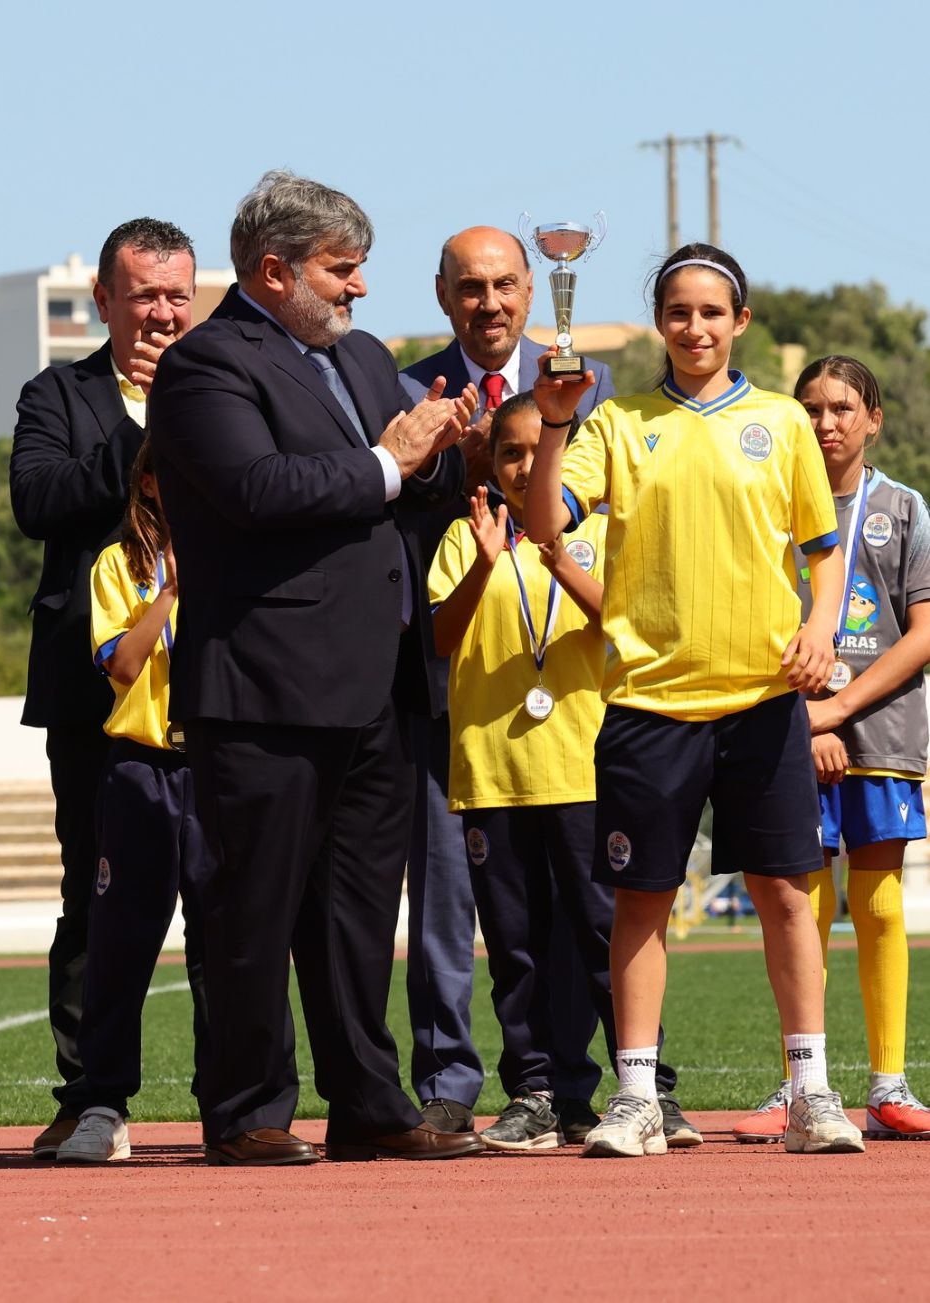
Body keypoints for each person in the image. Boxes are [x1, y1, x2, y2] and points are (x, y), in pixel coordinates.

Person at [150, 170, 484, 1166]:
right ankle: (248, 1108)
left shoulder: (368, 358)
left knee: (354, 911)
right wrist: (389, 461)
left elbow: (417, 488)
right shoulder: (206, 366)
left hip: (376, 680)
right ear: (272, 270)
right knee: (253, 901)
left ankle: (367, 1104)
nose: (358, 290)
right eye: (342, 271)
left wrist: (462, 445)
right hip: (263, 681)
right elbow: (258, 489)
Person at [524, 243, 866, 1158]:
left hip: (760, 699)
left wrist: (821, 629)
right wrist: (555, 426)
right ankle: (635, 1094)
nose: (695, 327)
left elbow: (821, 549)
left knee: (788, 895)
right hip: (648, 700)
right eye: (678, 311)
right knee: (640, 897)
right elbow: (544, 523)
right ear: (659, 323)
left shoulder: (782, 424)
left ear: (739, 321)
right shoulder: (618, 422)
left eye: (712, 311)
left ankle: (809, 1089)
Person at [398, 226, 620, 1140]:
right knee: (450, 901)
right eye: (469, 287)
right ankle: (450, 1078)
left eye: (504, 284)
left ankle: (592, 1079)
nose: (488, 302)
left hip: (564, 677)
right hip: (445, 660)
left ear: (531, 291)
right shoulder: (405, 389)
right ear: (443, 294)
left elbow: (614, 509)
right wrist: (453, 456)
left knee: (582, 910)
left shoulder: (586, 387)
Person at [428, 393, 692, 1150]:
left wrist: (557, 560)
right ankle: (537, 1091)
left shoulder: (608, 532)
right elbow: (442, 637)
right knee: (514, 949)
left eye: (536, 453)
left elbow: (634, 625)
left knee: (609, 936)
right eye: (508, 453)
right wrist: (485, 566)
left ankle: (645, 1089)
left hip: (585, 769)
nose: (521, 467)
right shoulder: (463, 536)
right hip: (493, 771)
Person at [10, 218, 202, 1158]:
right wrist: (150, 429)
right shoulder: (57, 394)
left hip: (221, 689)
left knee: (229, 900)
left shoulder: (231, 384)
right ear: (104, 302)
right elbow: (37, 504)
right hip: (96, 700)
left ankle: (236, 1094)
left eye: (176, 295)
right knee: (93, 899)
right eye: (143, 297)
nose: (162, 314)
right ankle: (89, 1094)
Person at [734, 355, 930, 1143]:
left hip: (879, 726)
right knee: (797, 896)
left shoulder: (904, 508)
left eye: (841, 407)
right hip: (788, 720)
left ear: (872, 418)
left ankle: (888, 1083)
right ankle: (800, 1082)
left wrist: (839, 710)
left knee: (877, 893)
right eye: (809, 407)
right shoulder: (768, 506)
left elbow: (923, 632)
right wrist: (803, 715)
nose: (824, 423)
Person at [55, 439, 210, 1163]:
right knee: (120, 945)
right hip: (141, 766)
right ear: (147, 478)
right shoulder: (120, 565)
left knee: (226, 944)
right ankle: (104, 1103)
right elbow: (120, 663)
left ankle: (232, 1100)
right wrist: (170, 593)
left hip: (215, 767)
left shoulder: (232, 551)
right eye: (170, 468)